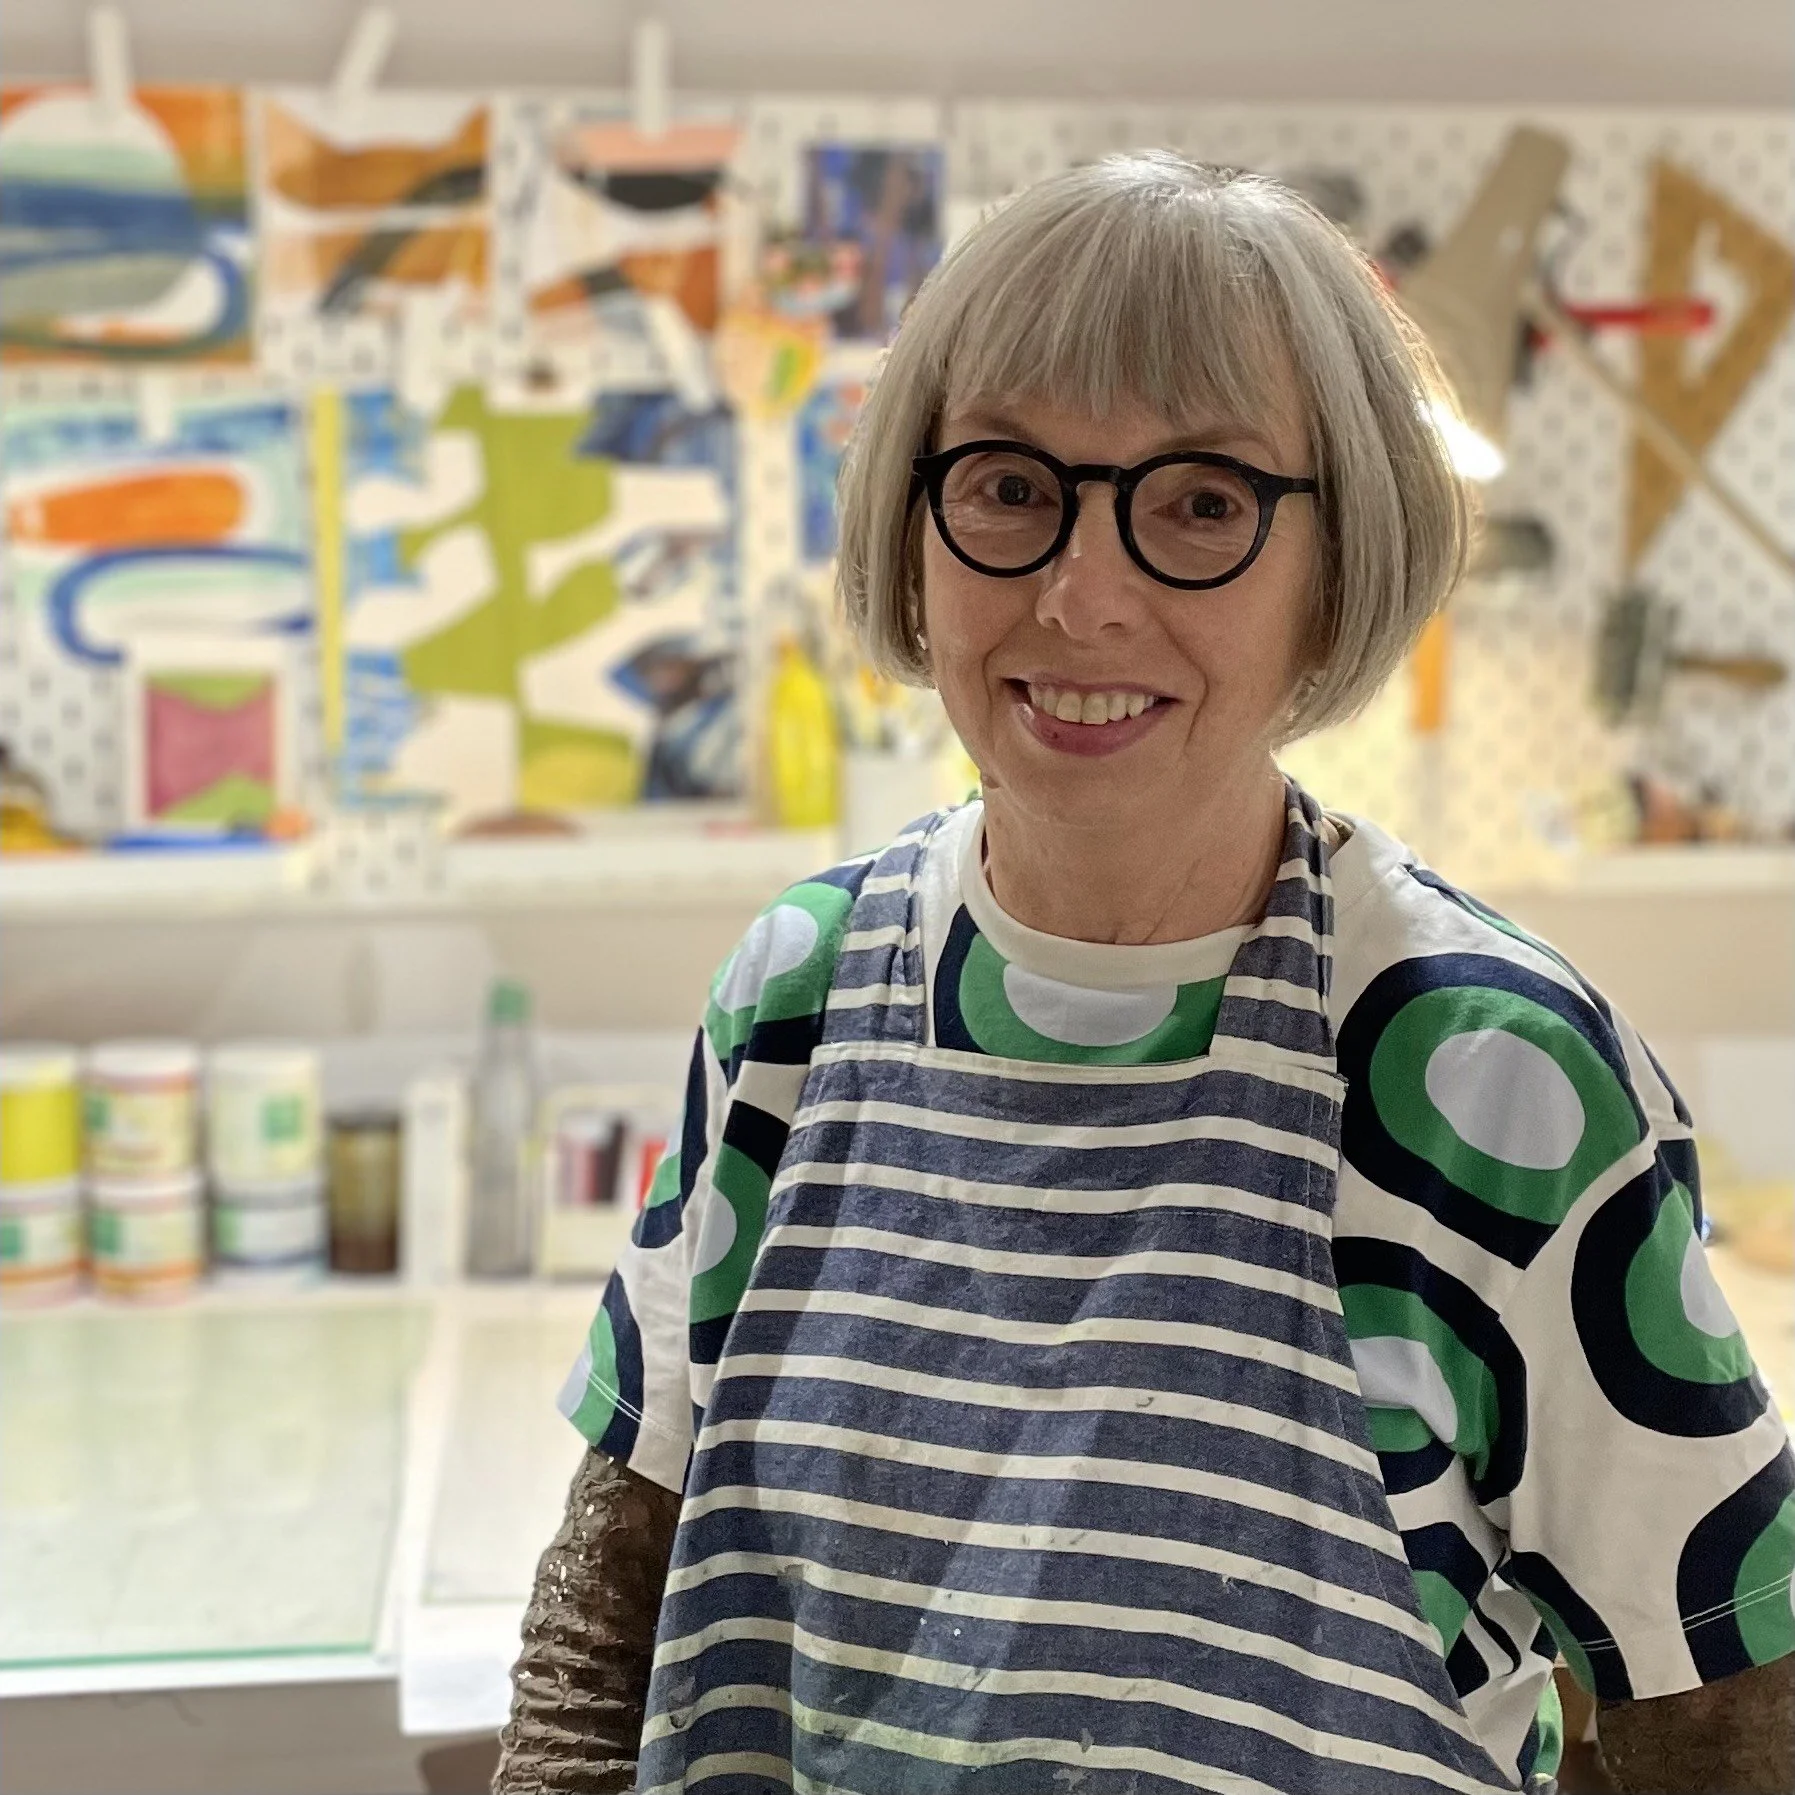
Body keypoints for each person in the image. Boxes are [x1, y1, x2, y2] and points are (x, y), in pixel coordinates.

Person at [494, 154, 1795, 1794]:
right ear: (917, 523)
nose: (1082, 594)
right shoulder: (794, 999)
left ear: (1334, 561)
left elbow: (1726, 1701)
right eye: (1011, 487)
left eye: (1200, 502)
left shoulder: (1484, 1075)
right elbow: (616, 1591)